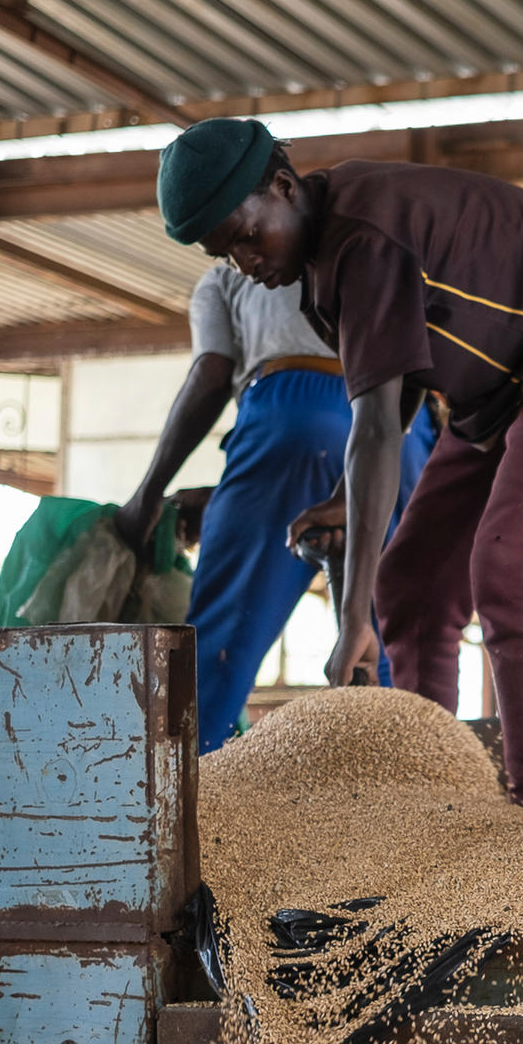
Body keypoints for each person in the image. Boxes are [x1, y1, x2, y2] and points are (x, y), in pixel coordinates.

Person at [154, 117, 523, 803]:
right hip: (497, 391)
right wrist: (344, 497)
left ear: (282, 185)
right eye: (227, 254)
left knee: (510, 572)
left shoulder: (360, 235)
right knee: (413, 588)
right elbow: (398, 389)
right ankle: (435, 797)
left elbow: (375, 433)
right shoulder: (324, 262)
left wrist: (352, 614)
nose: (246, 261)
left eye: (246, 234)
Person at [116, 263, 435, 752]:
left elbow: (212, 371)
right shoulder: (372, 244)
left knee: (221, 646)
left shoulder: (225, 274)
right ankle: (411, 797)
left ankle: (183, 801)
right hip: (399, 426)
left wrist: (148, 492)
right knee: (393, 642)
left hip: (288, 414)